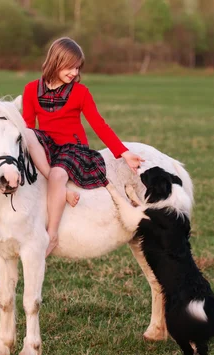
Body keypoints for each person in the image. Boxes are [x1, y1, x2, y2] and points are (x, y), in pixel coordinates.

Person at [22, 37, 143, 256]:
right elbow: (29, 126)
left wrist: (123, 152)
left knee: (58, 174)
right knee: (28, 134)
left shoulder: (80, 93)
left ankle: (52, 234)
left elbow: (99, 125)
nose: (74, 72)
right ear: (56, 62)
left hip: (72, 148)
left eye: (78, 67)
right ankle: (63, 192)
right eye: (70, 66)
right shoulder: (31, 90)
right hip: (46, 145)